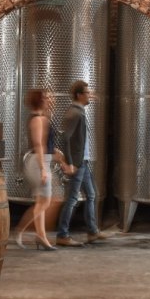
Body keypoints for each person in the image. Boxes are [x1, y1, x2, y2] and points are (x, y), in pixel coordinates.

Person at [55, 80, 108, 247]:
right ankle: (62, 235)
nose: (90, 95)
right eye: (87, 93)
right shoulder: (74, 113)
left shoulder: (80, 112)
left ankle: (92, 232)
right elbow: (65, 138)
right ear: (79, 95)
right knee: (72, 199)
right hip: (77, 164)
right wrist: (70, 163)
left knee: (92, 195)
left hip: (83, 162)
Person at [13, 89, 63, 251]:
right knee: (47, 201)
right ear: (40, 100)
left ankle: (41, 237)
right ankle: (21, 230)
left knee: (42, 201)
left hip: (42, 160)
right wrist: (43, 169)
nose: (50, 99)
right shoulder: (39, 120)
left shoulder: (43, 118)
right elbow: (39, 145)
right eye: (47, 97)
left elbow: (46, 145)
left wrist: (56, 154)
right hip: (38, 162)